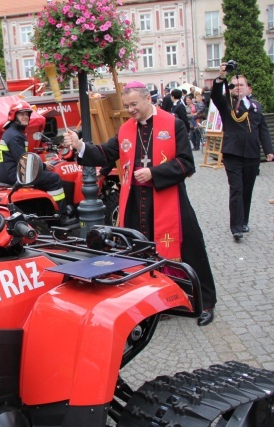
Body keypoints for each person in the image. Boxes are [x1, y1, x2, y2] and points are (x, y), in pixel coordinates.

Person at [63, 81, 217, 327]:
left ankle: (204, 303)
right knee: (141, 253)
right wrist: (80, 145)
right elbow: (104, 154)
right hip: (136, 202)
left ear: (148, 99)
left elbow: (187, 164)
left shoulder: (173, 124)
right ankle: (158, 300)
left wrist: (154, 173)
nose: (130, 110)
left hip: (170, 200)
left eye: (134, 104)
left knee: (191, 250)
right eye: (127, 106)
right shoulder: (126, 129)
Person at [211, 63, 274, 241]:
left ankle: (244, 221)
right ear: (230, 88)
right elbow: (215, 95)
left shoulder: (256, 106)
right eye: (235, 85)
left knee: (247, 190)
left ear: (248, 88)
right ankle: (236, 227)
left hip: (253, 154)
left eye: (241, 85)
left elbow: (263, 129)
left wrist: (268, 150)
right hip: (233, 154)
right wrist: (221, 77)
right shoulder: (227, 104)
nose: (238, 88)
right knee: (237, 190)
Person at [0, 99, 76, 226]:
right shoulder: (14, 136)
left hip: (9, 173)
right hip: (15, 175)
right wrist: (44, 165)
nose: (25, 117)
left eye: (27, 114)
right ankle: (62, 215)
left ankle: (47, 208)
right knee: (54, 178)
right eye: (21, 114)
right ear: (13, 116)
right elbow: (24, 160)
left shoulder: (12, 132)